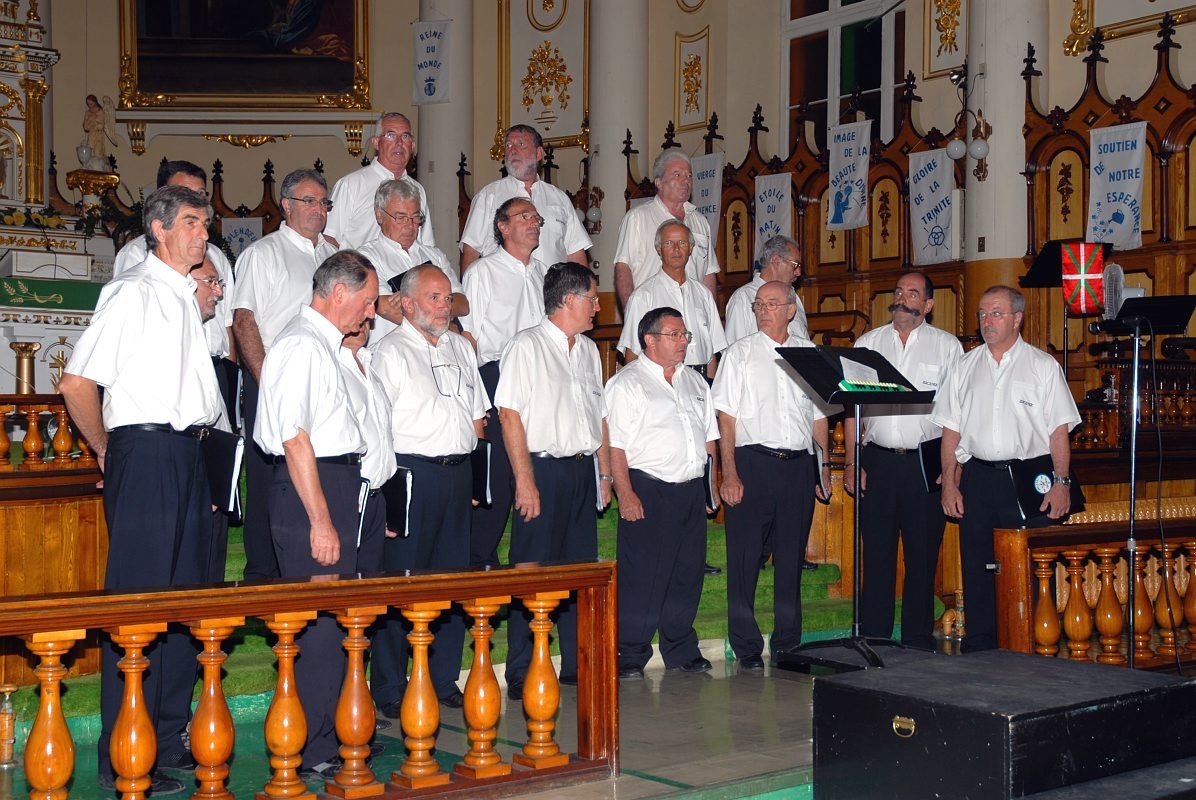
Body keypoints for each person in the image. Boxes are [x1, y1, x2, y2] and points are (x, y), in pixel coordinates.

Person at [59, 185, 228, 795]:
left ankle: (163, 737)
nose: (202, 232)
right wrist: (109, 449)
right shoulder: (130, 292)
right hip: (147, 451)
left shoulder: (186, 298)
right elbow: (78, 383)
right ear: (157, 231)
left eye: (205, 223)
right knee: (138, 608)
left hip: (187, 453)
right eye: (190, 222)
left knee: (182, 605)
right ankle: (124, 755)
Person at [253, 251, 386, 780]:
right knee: (320, 630)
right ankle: (308, 747)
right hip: (313, 488)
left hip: (338, 481)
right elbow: (294, 437)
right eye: (368, 300)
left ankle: (333, 736)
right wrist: (321, 519)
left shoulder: (325, 346)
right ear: (339, 293)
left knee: (338, 622)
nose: (372, 312)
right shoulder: (300, 346)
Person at [930, 285, 1081, 652]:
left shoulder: (1043, 366)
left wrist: (1061, 482)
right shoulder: (965, 366)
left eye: (996, 313)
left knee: (1026, 568)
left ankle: (1030, 646)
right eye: (982, 314)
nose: (987, 321)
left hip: (1029, 478)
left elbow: (1058, 430)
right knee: (979, 567)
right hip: (979, 477)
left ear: (1017, 318)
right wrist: (950, 483)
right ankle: (982, 651)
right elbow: (950, 431)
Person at [370, 265, 489, 717]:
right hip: (410, 475)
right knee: (403, 579)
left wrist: (477, 476)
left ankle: (441, 677)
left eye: (447, 298)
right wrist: (389, 489)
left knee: (451, 577)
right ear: (406, 303)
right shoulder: (389, 353)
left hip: (458, 474)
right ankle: (389, 683)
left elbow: (478, 416)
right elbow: (378, 427)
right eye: (434, 298)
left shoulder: (461, 347)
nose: (444, 307)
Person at [495, 262, 612, 699]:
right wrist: (525, 481)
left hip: (581, 469)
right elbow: (509, 414)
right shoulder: (525, 346)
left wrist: (603, 471)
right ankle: (522, 670)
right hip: (541, 468)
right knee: (531, 569)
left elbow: (598, 415)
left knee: (577, 570)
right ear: (568, 300)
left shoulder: (585, 350)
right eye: (592, 298)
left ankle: (575, 663)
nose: (598, 307)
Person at [712, 280, 833, 671]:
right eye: (759, 304)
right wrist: (728, 473)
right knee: (745, 558)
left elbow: (818, 417)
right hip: (753, 463)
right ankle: (746, 645)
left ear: (791, 311)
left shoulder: (809, 354)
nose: (763, 310)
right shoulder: (740, 354)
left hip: (798, 466)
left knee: (791, 556)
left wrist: (823, 467)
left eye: (772, 304)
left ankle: (787, 644)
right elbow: (726, 420)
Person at [844, 271, 962, 650]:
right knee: (876, 556)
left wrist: (951, 470)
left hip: (925, 466)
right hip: (876, 462)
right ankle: (874, 640)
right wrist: (851, 460)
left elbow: (958, 416)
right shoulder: (868, 343)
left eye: (912, 293)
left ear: (927, 305)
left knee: (922, 558)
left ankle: (915, 642)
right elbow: (851, 408)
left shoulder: (948, 348)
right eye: (898, 291)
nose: (901, 298)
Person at [232, 167, 338, 581]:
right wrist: (267, 382)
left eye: (323, 203)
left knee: (319, 471)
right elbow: (244, 321)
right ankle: (264, 576)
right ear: (286, 206)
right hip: (274, 381)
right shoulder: (265, 253)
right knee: (268, 481)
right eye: (309, 201)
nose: (318, 210)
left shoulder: (332, 255)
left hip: (325, 385)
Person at [607, 306, 719, 681]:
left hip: (689, 488)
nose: (684, 341)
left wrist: (709, 485)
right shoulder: (628, 382)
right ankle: (630, 652)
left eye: (685, 335)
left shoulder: (695, 382)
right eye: (675, 334)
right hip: (648, 487)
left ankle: (680, 648)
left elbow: (709, 440)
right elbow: (615, 445)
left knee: (687, 573)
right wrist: (625, 493)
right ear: (650, 340)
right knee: (642, 575)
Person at [113, 160, 239, 425]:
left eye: (201, 193)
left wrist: (229, 370)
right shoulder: (136, 255)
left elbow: (226, 321)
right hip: (167, 371)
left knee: (218, 450)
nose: (195, 198)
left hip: (214, 365)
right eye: (185, 192)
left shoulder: (215, 255)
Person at [459, 197, 548, 568]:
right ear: (502, 226)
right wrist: (477, 397)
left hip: (539, 378)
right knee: (497, 479)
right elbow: (470, 339)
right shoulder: (482, 273)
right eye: (524, 216)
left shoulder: (545, 273)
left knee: (534, 467)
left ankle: (529, 559)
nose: (534, 223)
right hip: (496, 375)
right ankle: (479, 561)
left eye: (537, 217)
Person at [459, 124, 592, 272]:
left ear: (539, 153)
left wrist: (582, 292)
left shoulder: (559, 199)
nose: (512, 150)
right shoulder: (488, 195)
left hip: (552, 291)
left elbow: (575, 252)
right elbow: (470, 250)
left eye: (520, 144)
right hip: (503, 290)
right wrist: (467, 293)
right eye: (508, 145)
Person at [357, 179, 466, 345]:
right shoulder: (366, 258)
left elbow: (462, 303)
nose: (410, 226)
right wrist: (444, 321)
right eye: (401, 218)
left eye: (415, 217)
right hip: (393, 353)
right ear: (380, 215)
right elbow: (387, 308)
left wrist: (414, 304)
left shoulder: (434, 255)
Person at [618, 220, 726, 381]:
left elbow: (711, 351)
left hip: (702, 380)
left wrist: (712, 391)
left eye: (682, 243)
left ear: (690, 248)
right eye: (669, 243)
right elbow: (632, 352)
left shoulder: (704, 294)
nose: (676, 249)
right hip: (661, 381)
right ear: (659, 249)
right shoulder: (643, 296)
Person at [613, 149, 719, 306]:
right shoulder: (637, 218)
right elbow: (623, 268)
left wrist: (710, 316)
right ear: (659, 183)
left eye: (689, 175)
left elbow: (708, 274)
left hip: (693, 313)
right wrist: (632, 314)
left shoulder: (700, 221)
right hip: (653, 312)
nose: (686, 181)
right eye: (678, 175)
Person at [325, 112, 434, 250]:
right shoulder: (352, 184)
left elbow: (426, 245)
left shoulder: (417, 190)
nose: (399, 143)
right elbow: (330, 240)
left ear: (412, 145)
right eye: (391, 135)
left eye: (405, 136)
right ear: (376, 142)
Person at [191, 256, 235, 583]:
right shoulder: (172, 335)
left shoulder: (204, 341)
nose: (219, 292)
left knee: (212, 556)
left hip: (210, 446)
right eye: (210, 282)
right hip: (184, 460)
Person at [724, 234, 808, 343]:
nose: (798, 272)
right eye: (795, 265)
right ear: (776, 260)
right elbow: (736, 350)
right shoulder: (743, 298)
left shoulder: (794, 298)